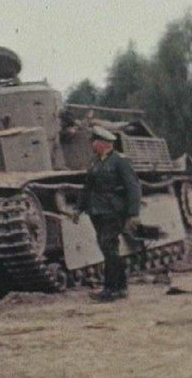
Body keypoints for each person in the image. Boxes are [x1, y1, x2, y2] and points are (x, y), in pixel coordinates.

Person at [72, 125, 141, 302]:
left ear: (104, 143)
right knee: (108, 248)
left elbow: (133, 187)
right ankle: (121, 287)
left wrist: (133, 213)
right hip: (97, 211)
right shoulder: (95, 161)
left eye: (95, 141)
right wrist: (78, 208)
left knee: (108, 246)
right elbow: (87, 188)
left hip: (113, 210)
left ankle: (110, 289)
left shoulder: (120, 161)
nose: (92, 145)